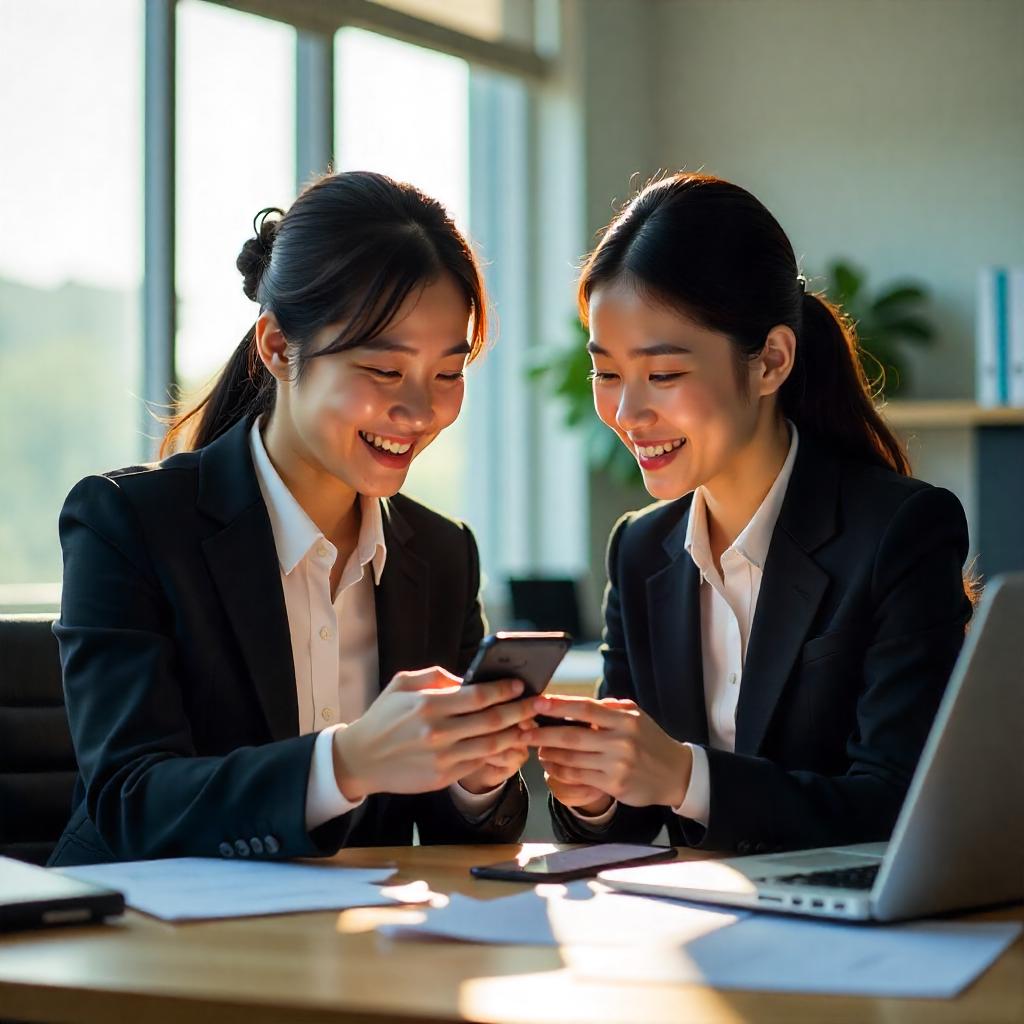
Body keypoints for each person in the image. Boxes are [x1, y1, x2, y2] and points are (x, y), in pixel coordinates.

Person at [50, 171, 531, 867]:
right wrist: (345, 763)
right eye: (384, 370)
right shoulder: (127, 525)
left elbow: (461, 839)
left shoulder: (440, 552)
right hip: (144, 939)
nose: (421, 411)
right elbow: (130, 800)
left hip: (345, 950)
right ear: (277, 347)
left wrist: (476, 778)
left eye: (448, 374)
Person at [532, 172, 974, 854]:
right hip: (692, 932)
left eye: (664, 373)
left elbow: (894, 806)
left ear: (770, 361)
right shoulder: (641, 549)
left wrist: (683, 776)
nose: (626, 413)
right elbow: (631, 818)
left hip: (854, 943)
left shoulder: (900, 533)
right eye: (607, 372)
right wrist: (596, 792)